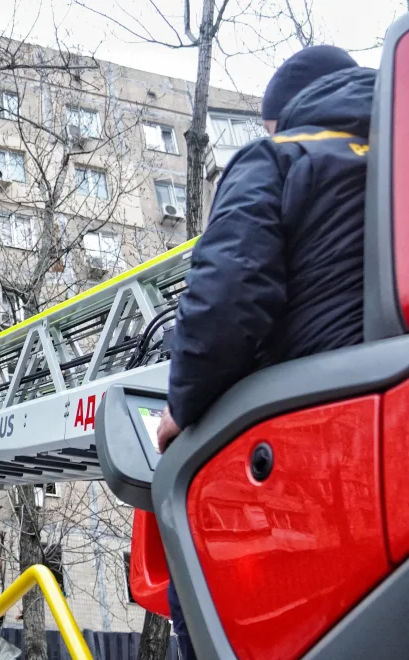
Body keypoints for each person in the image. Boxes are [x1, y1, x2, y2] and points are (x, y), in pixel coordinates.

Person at [155, 45, 374, 659]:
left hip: (321, 443)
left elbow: (227, 296)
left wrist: (182, 407)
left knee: (200, 575)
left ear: (285, 112)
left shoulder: (280, 156)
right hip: (383, 432)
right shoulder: (395, 158)